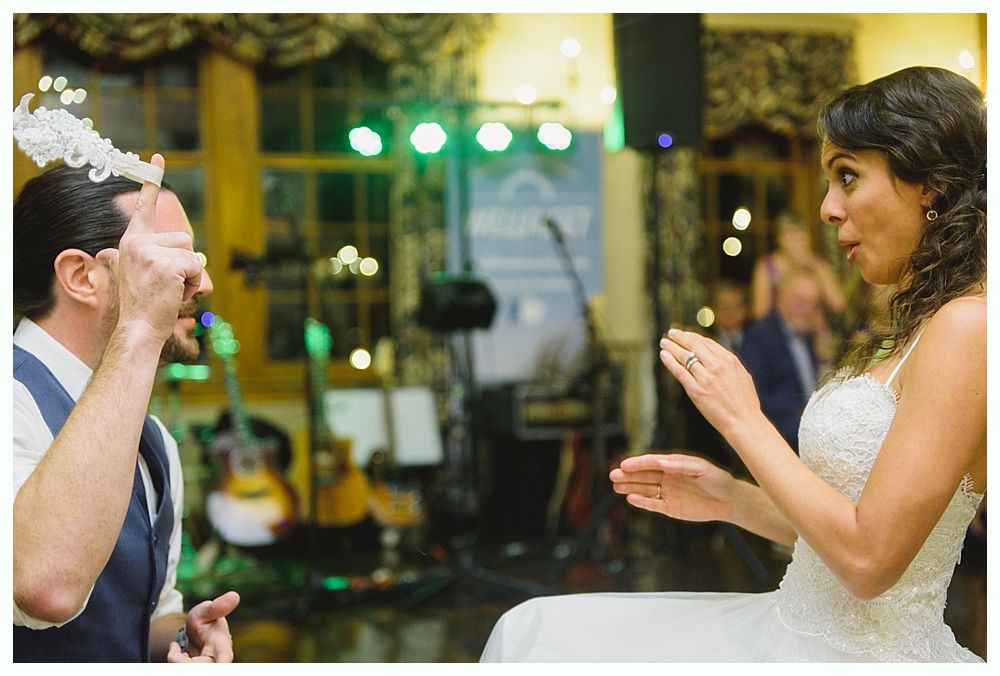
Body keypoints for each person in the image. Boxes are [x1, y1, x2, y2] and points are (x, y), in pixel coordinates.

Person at [480, 65, 985, 662]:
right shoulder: (921, 325)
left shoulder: (969, 325)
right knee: (535, 627)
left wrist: (741, 418)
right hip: (792, 624)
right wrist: (731, 500)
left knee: (541, 638)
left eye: (847, 177)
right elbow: (847, 534)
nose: (827, 208)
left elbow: (870, 563)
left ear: (928, 182)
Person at [13, 157, 241, 662]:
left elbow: (153, 612)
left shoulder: (153, 438)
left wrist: (181, 640)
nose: (201, 284)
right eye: (170, 257)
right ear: (81, 276)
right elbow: (47, 590)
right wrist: (140, 327)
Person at [738, 269, 824, 453]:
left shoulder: (806, 334)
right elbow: (751, 396)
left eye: (813, 304)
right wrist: (800, 413)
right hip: (778, 440)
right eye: (800, 301)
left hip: (807, 433)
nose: (807, 310)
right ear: (780, 298)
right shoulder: (760, 337)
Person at [750, 210, 846, 321]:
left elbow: (838, 305)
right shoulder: (766, 265)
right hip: (780, 332)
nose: (795, 239)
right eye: (789, 233)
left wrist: (814, 265)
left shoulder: (817, 263)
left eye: (800, 233)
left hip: (815, 330)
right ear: (779, 238)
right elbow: (760, 314)